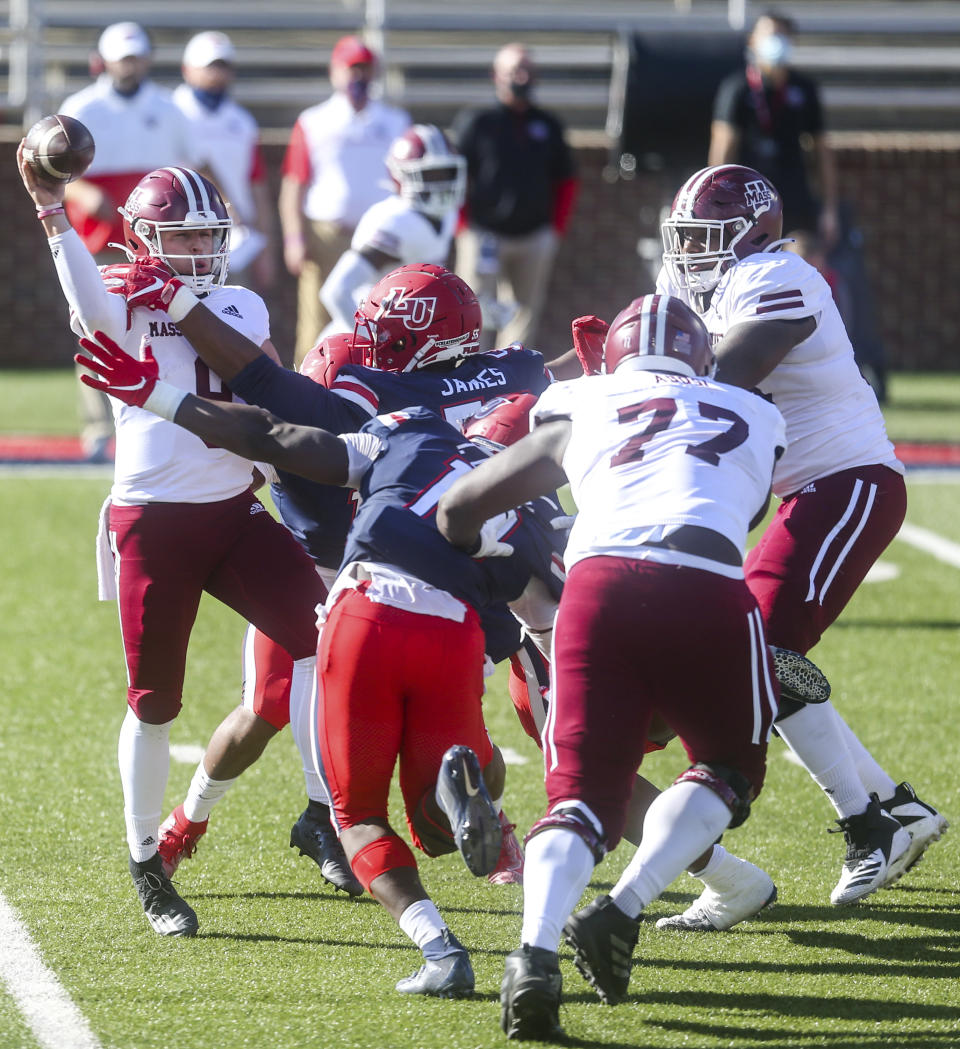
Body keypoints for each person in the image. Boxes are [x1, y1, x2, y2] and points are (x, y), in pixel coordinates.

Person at [73, 332, 566, 997]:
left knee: (356, 807)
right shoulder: (516, 494)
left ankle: (438, 940)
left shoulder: (391, 427)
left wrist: (159, 396)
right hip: (448, 620)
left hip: (359, 607)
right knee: (424, 810)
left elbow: (273, 434)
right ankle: (462, 797)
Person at [108, 260, 555, 887]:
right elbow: (290, 417)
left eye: (389, 334)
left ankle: (398, 819)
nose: (373, 343)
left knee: (431, 723)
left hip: (411, 574)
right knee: (264, 708)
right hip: (325, 565)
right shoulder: (378, 377)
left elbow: (289, 405)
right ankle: (190, 819)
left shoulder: (413, 386)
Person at [434, 293, 786, 1038]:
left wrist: (476, 550)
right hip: (708, 583)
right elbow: (739, 509)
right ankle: (622, 909)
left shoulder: (578, 399)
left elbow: (459, 508)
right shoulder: (752, 409)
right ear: (701, 357)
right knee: (726, 768)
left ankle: (532, 958)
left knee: (580, 793)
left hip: (596, 592)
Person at [18, 151, 327, 938]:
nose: (199, 250)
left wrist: (182, 294)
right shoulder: (119, 297)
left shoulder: (244, 304)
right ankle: (145, 857)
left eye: (206, 236)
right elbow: (91, 308)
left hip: (234, 513)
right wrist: (55, 214)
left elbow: (244, 368)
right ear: (144, 238)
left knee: (326, 636)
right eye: (181, 238)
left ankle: (327, 809)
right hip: (154, 522)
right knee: (155, 703)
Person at [655, 163, 946, 913]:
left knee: (761, 653)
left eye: (702, 237)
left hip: (849, 485)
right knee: (746, 653)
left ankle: (871, 822)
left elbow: (728, 374)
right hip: (801, 495)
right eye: (682, 237)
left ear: (751, 233)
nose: (687, 252)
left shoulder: (783, 278)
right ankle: (890, 811)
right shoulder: (703, 288)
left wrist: (626, 379)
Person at [58, 21, 197, 463]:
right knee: (95, 326)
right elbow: (58, 178)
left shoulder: (169, 108)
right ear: (105, 59)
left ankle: (164, 416)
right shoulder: (82, 107)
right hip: (97, 236)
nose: (129, 64)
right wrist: (85, 193)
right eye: (122, 56)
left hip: (157, 238)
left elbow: (185, 169)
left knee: (160, 327)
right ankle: (99, 427)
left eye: (135, 55)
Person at [279, 35, 410, 366]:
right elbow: (294, 185)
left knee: (384, 319)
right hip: (327, 235)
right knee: (316, 321)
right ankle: (304, 394)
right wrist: (294, 238)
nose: (358, 76)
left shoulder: (395, 121)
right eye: (352, 69)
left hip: (380, 239)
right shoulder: (314, 121)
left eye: (365, 68)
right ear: (335, 72)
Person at [453, 43, 578, 353]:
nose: (521, 78)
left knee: (524, 312)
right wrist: (463, 226)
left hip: (534, 234)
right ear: (496, 76)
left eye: (527, 71)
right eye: (513, 71)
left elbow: (566, 179)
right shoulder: (478, 122)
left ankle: (509, 379)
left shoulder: (548, 124)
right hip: (484, 233)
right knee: (472, 309)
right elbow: (455, 175)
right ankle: (467, 378)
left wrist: (555, 229)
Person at [709, 9, 839, 247]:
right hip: (747, 199)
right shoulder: (737, 89)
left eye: (783, 35)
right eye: (770, 34)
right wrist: (716, 205)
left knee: (799, 255)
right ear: (752, 40)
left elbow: (821, 150)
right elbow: (722, 149)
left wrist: (829, 208)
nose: (776, 41)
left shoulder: (804, 89)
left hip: (793, 196)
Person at [319, 124, 465, 334]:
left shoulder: (447, 215)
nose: (441, 185)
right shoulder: (394, 221)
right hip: (357, 345)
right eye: (431, 175)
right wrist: (376, 340)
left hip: (409, 337)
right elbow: (336, 291)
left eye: (446, 174)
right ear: (401, 176)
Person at [173, 30, 277, 290]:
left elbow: (257, 185)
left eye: (223, 66)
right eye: (210, 66)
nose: (217, 74)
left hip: (232, 239)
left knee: (234, 317)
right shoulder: (170, 113)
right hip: (179, 236)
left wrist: (265, 246)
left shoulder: (242, 121)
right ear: (188, 69)